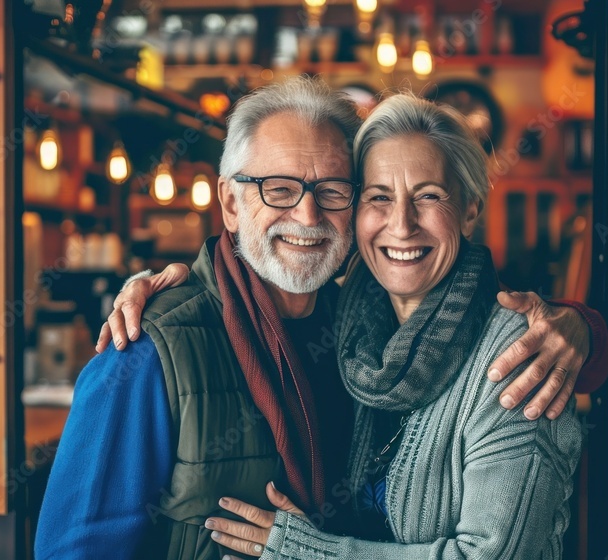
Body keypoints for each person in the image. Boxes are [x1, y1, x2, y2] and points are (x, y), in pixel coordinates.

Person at [35, 77, 608, 560]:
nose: (307, 214)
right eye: (278, 189)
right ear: (231, 204)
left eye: (332, 190)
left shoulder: (372, 332)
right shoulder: (145, 353)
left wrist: (584, 328)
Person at [196, 93, 584, 558]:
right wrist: (170, 288)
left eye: (428, 196)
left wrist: (309, 553)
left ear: (470, 209)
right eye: (379, 197)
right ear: (355, 211)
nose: (401, 225)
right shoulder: (345, 327)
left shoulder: (518, 357)